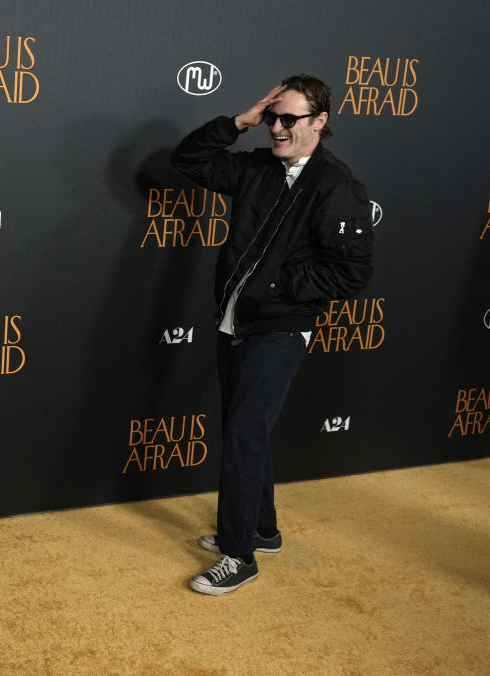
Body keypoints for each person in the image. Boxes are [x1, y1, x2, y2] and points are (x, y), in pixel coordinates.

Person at [169, 74, 373, 595]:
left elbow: (349, 273)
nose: (277, 128)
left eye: (289, 119)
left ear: (320, 122)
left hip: (282, 326)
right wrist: (239, 121)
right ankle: (262, 528)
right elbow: (187, 161)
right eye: (273, 117)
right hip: (235, 320)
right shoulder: (256, 166)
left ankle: (240, 555)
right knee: (246, 429)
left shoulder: (337, 186)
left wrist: (275, 286)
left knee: (241, 433)